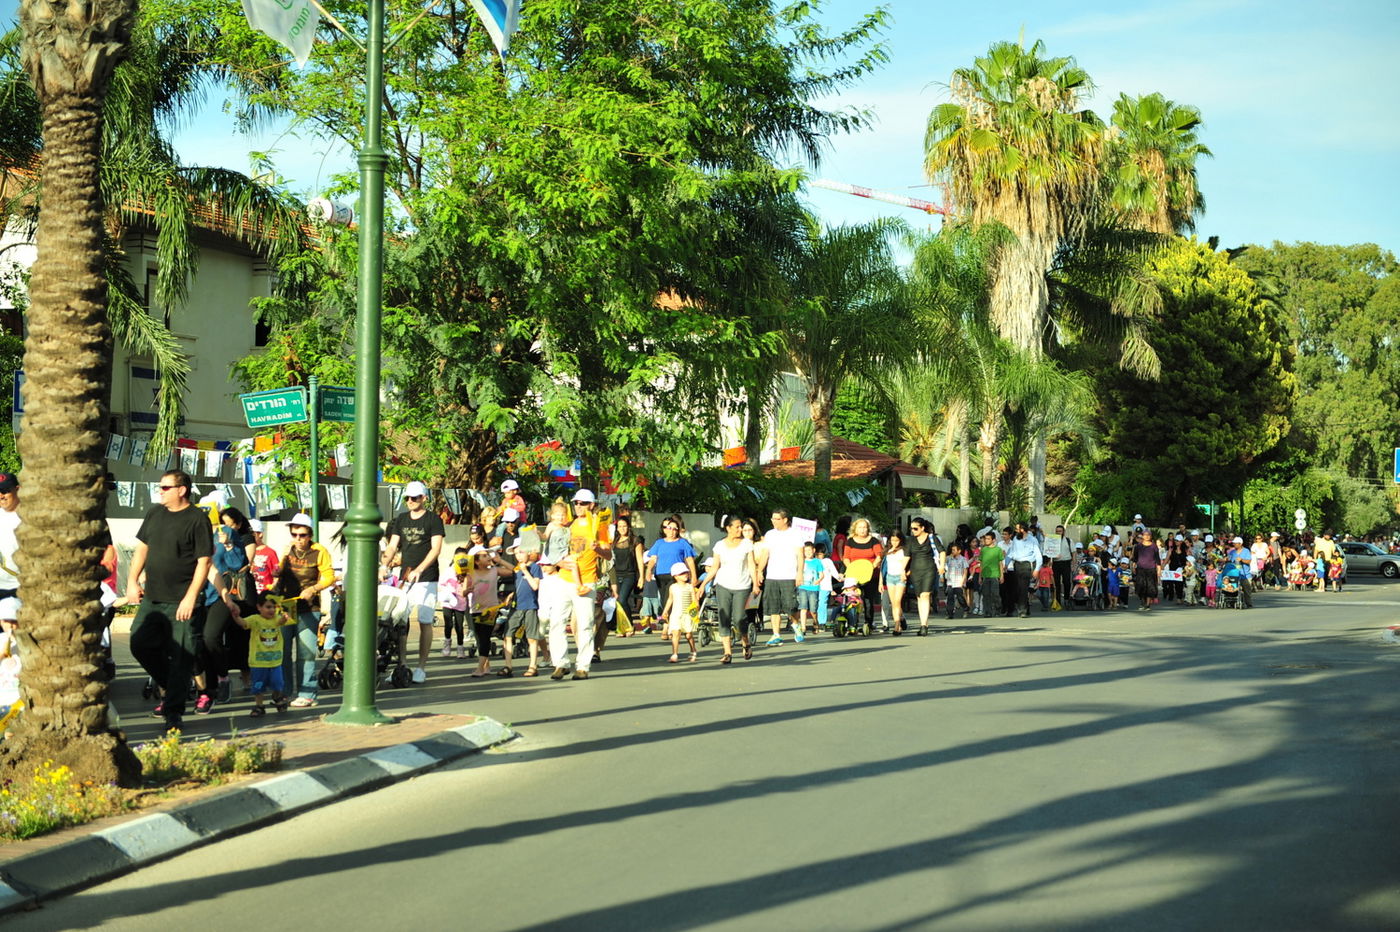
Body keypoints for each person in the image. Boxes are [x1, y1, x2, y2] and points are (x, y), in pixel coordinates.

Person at [128, 470, 220, 732]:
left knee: (182, 657)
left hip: (182, 601)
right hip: (154, 599)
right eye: (160, 487)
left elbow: (204, 562)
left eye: (166, 487)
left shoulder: (197, 519)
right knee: (139, 644)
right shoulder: (154, 513)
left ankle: (173, 713)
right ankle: (173, 685)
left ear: (181, 490)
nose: (160, 491)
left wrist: (191, 597)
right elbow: (142, 548)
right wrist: (132, 580)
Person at [382, 480, 445, 684]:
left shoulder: (433, 519)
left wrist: (420, 569)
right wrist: (385, 563)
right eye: (407, 498)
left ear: (424, 498)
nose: (410, 501)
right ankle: (402, 664)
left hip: (427, 578)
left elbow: (435, 549)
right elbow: (393, 545)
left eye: (415, 497)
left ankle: (421, 667)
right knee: (400, 620)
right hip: (405, 576)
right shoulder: (400, 520)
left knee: (425, 620)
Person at [549, 488, 611, 681]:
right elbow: (552, 550)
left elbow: (609, 555)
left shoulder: (599, 526)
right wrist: (557, 562)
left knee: (585, 624)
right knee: (556, 621)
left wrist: (599, 549)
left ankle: (583, 666)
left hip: (587, 580)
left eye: (582, 503)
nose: (578, 506)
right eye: (576, 503)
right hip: (564, 578)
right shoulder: (568, 524)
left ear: (591, 505)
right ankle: (560, 663)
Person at [276, 513, 334, 707]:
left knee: (306, 651)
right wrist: (281, 561)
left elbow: (329, 576)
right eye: (294, 534)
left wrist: (313, 588)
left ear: (310, 534)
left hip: (309, 607)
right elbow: (278, 574)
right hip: (286, 605)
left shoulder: (319, 551)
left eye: (302, 535)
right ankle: (284, 691)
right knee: (283, 651)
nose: (298, 539)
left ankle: (307, 693)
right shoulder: (287, 550)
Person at [703, 515, 759, 662]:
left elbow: (752, 565)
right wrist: (703, 584)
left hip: (742, 585)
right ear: (728, 528)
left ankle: (745, 641)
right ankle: (727, 652)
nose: (740, 529)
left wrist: (755, 584)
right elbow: (715, 567)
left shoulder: (747, 544)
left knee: (740, 618)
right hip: (723, 585)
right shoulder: (719, 545)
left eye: (741, 526)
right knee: (724, 617)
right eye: (737, 527)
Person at [235, 593, 295, 717]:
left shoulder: (277, 619)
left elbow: (283, 620)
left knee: (278, 683)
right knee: (258, 685)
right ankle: (259, 705)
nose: (272, 610)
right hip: (258, 662)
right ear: (259, 607)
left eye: (274, 607)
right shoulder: (255, 619)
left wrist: (285, 617)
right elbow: (243, 623)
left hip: (275, 661)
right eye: (268, 607)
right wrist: (236, 616)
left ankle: (277, 697)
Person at [758, 509, 805, 645]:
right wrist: (760, 570)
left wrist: (799, 573)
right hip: (773, 575)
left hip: (789, 575)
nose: (773, 521)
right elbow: (765, 554)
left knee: (790, 606)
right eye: (772, 519)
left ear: (785, 520)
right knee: (773, 606)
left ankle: (796, 625)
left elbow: (800, 556)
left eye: (777, 519)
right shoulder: (770, 534)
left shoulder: (795, 534)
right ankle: (776, 634)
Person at [643, 515, 699, 630]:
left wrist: (694, 576)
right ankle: (671, 624)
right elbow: (653, 558)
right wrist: (648, 570)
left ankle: (666, 627)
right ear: (664, 530)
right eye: (669, 528)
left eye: (675, 529)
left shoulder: (682, 543)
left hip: (675, 576)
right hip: (660, 575)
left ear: (678, 530)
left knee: (669, 598)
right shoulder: (659, 543)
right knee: (664, 601)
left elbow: (689, 560)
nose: (672, 531)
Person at [841, 518, 884, 633]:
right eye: (860, 527)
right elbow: (846, 557)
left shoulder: (874, 541)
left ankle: (868, 623)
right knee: (852, 600)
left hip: (870, 575)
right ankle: (852, 623)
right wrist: (851, 569)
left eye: (865, 527)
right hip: (854, 575)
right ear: (855, 528)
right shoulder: (850, 541)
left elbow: (879, 555)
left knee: (868, 601)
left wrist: (871, 567)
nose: (862, 530)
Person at [510, 548, 545, 676]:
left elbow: (535, 586)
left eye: (521, 552)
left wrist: (525, 571)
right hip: (517, 606)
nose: (518, 556)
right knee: (508, 635)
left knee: (532, 638)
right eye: (516, 554)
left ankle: (533, 665)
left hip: (530, 605)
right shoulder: (516, 569)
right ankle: (508, 666)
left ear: (528, 553)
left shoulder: (534, 567)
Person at [609, 515, 643, 636]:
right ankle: (621, 628)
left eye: (624, 526)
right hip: (616, 574)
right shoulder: (613, 540)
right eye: (620, 526)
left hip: (629, 574)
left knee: (623, 599)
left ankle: (629, 626)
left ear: (628, 527)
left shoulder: (635, 540)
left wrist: (642, 577)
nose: (622, 528)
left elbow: (640, 559)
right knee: (617, 601)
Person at [1004, 522, 1044, 619]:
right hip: (1016, 565)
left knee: (1023, 588)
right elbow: (1011, 552)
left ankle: (1022, 611)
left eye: (1017, 529)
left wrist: (1037, 569)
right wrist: (1005, 564)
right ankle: (1026, 608)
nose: (1015, 531)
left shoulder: (1033, 540)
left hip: (1027, 565)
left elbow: (1038, 555)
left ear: (1022, 530)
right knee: (1017, 588)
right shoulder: (1015, 539)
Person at [660, 562, 699, 663]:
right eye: (682, 573)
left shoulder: (690, 587)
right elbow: (670, 600)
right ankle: (674, 654)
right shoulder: (673, 587)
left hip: (688, 614)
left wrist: (696, 607)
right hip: (676, 614)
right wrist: (665, 611)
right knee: (675, 633)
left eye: (686, 572)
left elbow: (694, 600)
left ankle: (693, 650)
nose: (685, 574)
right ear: (675, 576)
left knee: (688, 635)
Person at [906, 518, 939, 635]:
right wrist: (902, 571)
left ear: (922, 528)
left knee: (925, 595)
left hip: (929, 569)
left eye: (915, 528)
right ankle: (923, 623)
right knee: (919, 596)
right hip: (915, 571)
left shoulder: (931, 538)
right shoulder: (910, 540)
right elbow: (907, 556)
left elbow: (942, 551)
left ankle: (924, 625)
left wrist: (942, 566)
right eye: (911, 529)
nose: (913, 531)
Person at [440, 548, 469, 658]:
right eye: (459, 557)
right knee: (448, 623)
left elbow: (469, 586)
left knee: (459, 625)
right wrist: (447, 592)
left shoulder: (468, 572)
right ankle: (447, 644)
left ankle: (460, 648)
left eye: (464, 558)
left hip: (460, 602)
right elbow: (441, 584)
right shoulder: (448, 571)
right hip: (448, 601)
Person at [796, 541, 827, 635]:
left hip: (813, 588)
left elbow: (822, 575)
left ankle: (815, 621)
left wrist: (818, 581)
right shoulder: (800, 561)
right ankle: (803, 627)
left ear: (814, 551)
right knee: (803, 607)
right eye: (805, 551)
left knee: (813, 609)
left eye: (809, 550)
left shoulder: (817, 562)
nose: (807, 552)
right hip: (802, 587)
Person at [881, 531, 908, 634]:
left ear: (900, 540)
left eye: (897, 540)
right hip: (889, 577)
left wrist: (905, 573)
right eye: (892, 540)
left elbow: (909, 564)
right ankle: (900, 620)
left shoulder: (904, 550)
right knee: (893, 603)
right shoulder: (888, 550)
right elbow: (882, 567)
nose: (894, 542)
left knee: (897, 601)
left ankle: (897, 625)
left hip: (900, 577)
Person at [0, 472, 19, 613]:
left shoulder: (28, 517)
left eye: (5, 491)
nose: (1, 495)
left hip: (21, 587)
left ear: (17, 489)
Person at [1131, 529, 1162, 611]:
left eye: (1148, 535)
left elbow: (1157, 559)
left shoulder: (1154, 546)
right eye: (1145, 534)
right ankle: (1142, 603)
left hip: (1151, 569)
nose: (1147, 536)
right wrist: (1134, 567)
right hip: (1140, 569)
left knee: (1150, 588)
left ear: (1151, 536)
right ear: (1142, 536)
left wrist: (1159, 570)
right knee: (1141, 587)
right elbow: (1135, 558)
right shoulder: (1138, 546)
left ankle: (1148, 605)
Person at [978, 531, 1004, 619]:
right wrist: (980, 577)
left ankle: (998, 608)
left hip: (995, 575)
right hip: (985, 575)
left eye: (988, 539)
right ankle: (988, 611)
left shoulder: (998, 550)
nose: (986, 540)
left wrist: (1001, 575)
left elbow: (1001, 563)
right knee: (986, 594)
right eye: (985, 539)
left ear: (993, 540)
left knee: (995, 594)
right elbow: (981, 564)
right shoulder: (983, 550)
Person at [248, 519, 279, 593]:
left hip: (264, 595)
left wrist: (272, 589)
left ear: (260, 534)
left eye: (252, 533)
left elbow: (277, 575)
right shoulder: (244, 551)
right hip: (249, 594)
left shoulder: (270, 553)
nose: (249, 536)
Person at [1048, 523, 1073, 608]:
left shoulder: (1069, 540)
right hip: (1056, 563)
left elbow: (1074, 552)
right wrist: (1050, 561)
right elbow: (1048, 552)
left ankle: (1066, 599)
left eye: (1060, 531)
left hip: (1066, 563)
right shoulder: (1052, 541)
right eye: (1057, 531)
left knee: (1066, 582)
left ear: (1063, 532)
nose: (1058, 532)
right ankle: (1057, 601)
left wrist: (1074, 564)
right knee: (1056, 583)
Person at [944, 542, 970, 619]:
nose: (953, 551)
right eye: (952, 550)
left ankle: (965, 608)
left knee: (960, 597)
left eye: (954, 550)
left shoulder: (963, 559)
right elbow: (943, 562)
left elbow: (965, 571)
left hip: (959, 581)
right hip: (950, 581)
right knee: (950, 598)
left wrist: (963, 581)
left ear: (959, 551)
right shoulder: (949, 558)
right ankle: (950, 613)